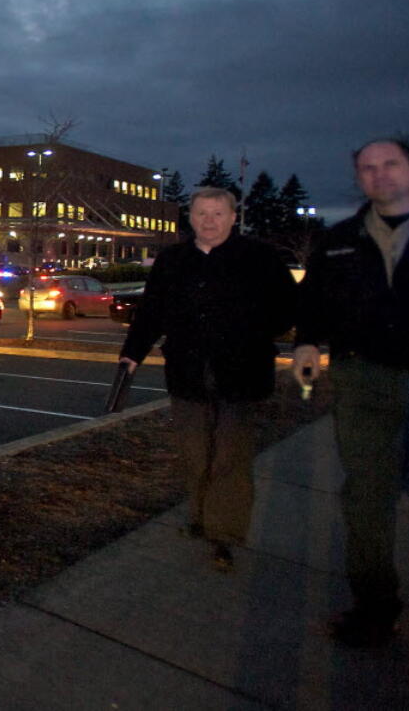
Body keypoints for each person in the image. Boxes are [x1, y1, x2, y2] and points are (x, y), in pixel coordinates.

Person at [292, 137, 409, 647]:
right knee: (366, 500)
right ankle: (375, 609)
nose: (380, 175)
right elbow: (313, 302)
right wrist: (307, 342)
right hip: (364, 382)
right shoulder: (339, 240)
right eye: (368, 168)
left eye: (391, 164)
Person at [120, 186, 297, 570]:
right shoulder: (173, 260)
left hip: (242, 374)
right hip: (187, 373)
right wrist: (132, 352)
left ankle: (224, 533)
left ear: (234, 217)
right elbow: (151, 311)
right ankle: (200, 517)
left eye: (218, 213)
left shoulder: (259, 258)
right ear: (191, 218)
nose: (209, 221)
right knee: (195, 455)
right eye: (202, 213)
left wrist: (253, 331)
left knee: (230, 458)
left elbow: (287, 308)